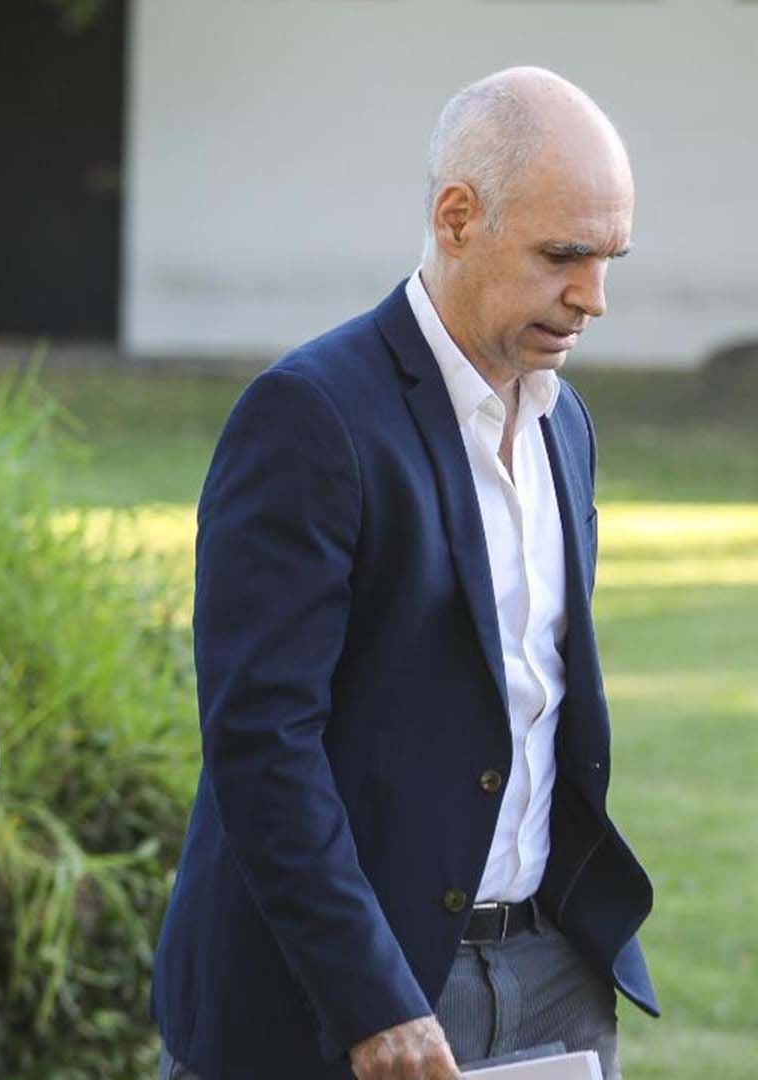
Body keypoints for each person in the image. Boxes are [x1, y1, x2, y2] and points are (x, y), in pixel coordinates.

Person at [152, 67, 657, 1080]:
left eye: (609, 260)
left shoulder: (565, 424)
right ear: (457, 217)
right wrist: (370, 997)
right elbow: (261, 742)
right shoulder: (310, 416)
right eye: (564, 255)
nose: (593, 298)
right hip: (345, 996)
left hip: (552, 973)